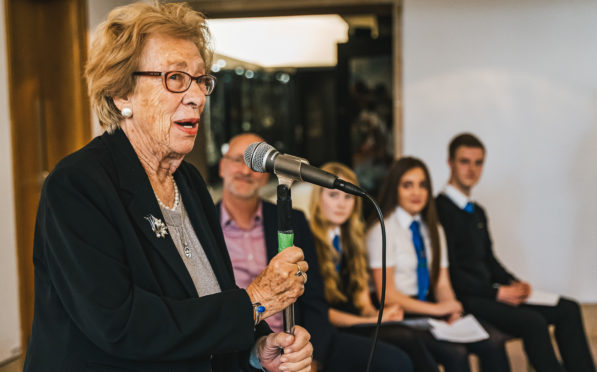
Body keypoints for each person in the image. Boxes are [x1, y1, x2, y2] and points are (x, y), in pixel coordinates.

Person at [24, 3, 313, 371]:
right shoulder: (77, 185)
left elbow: (203, 309)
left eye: (200, 79)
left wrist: (256, 353)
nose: (196, 96)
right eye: (175, 78)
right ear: (121, 93)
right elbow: (122, 326)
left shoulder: (188, 182)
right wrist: (255, 300)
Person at [217, 133, 414, 372]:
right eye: (237, 160)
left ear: (266, 173)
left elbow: (314, 299)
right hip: (238, 347)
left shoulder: (292, 219)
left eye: (252, 164)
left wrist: (314, 358)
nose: (245, 171)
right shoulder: (206, 224)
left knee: (396, 362)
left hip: (294, 340)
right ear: (221, 167)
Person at [436, 133, 596, 372]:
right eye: (464, 161)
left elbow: (489, 260)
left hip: (491, 293)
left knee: (568, 309)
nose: (472, 169)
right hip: (469, 298)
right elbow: (453, 273)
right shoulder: (439, 210)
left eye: (478, 163)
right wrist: (497, 292)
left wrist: (513, 283)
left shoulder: (477, 211)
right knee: (534, 322)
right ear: (450, 163)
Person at [367, 157, 511, 372]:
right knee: (456, 353)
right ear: (394, 188)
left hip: (430, 308)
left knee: (494, 341)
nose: (416, 192)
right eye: (408, 185)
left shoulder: (433, 229)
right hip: (400, 312)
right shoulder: (382, 229)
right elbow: (386, 295)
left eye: (422, 185)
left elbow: (442, 283)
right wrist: (437, 309)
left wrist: (451, 309)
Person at [308, 162, 442, 372]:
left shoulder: (352, 240)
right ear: (318, 199)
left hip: (356, 325)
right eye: (332, 196)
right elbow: (319, 311)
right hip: (326, 331)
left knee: (410, 339)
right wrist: (369, 320)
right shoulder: (309, 239)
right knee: (401, 354)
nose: (341, 204)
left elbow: (363, 302)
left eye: (347, 196)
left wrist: (381, 315)